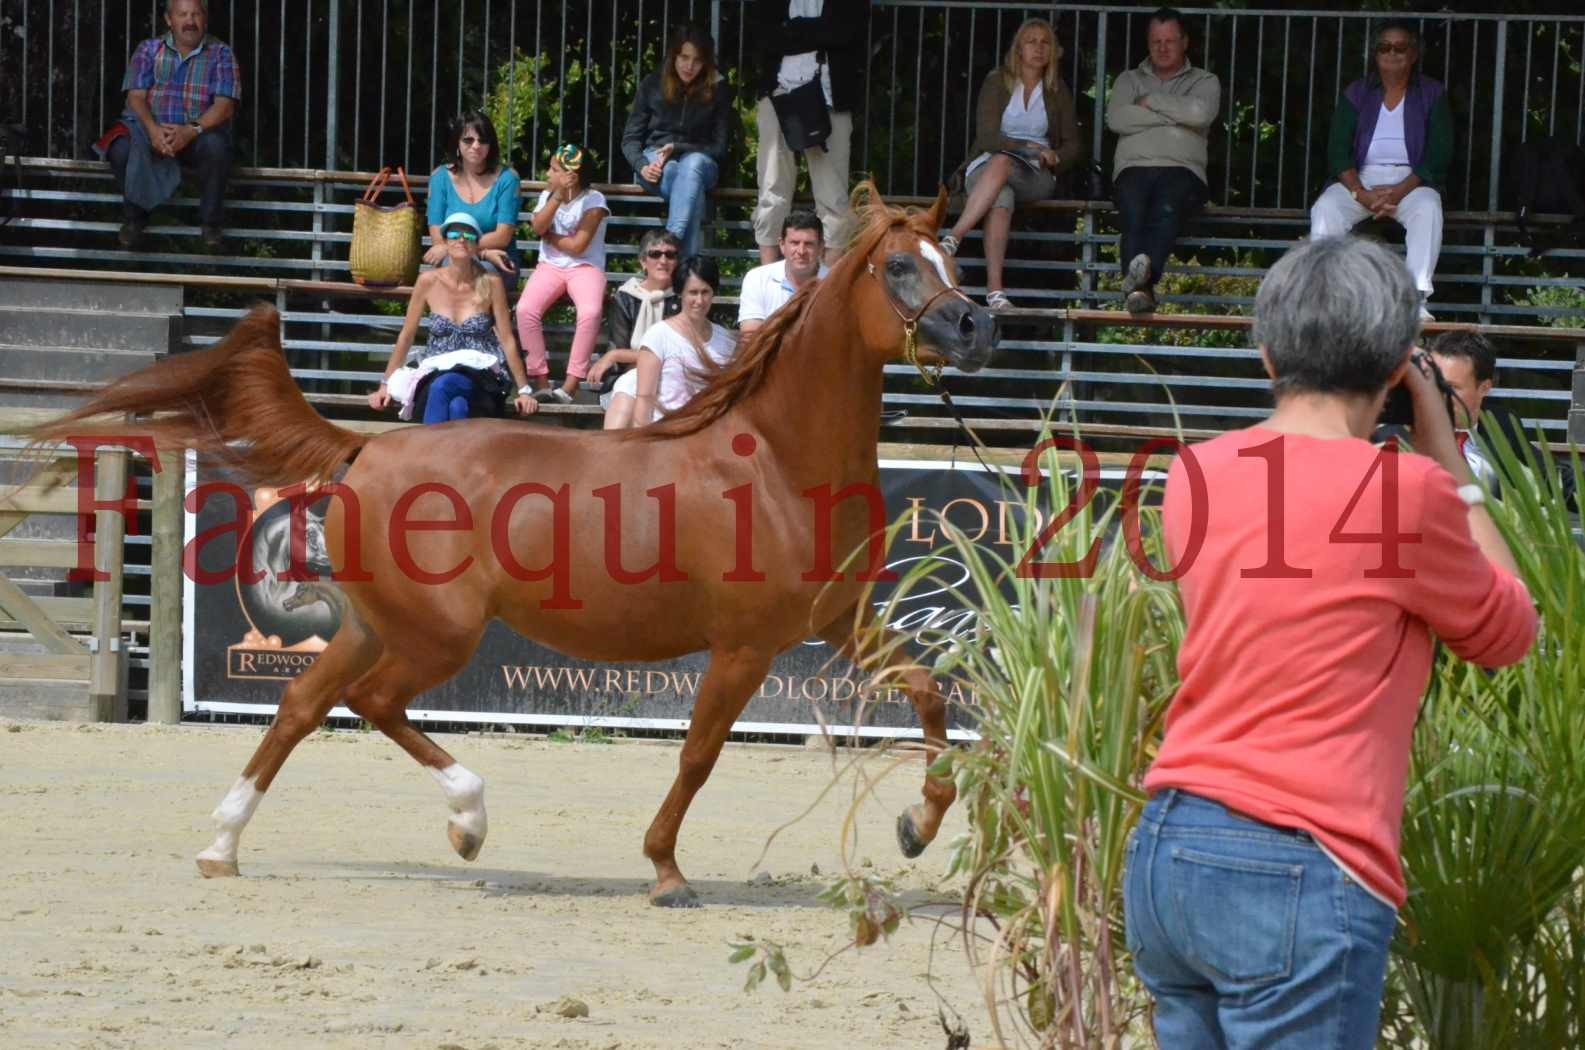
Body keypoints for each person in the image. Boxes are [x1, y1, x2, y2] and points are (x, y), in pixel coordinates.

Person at [1124, 235, 1537, 1049]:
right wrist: (1446, 455)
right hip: (1299, 859)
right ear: (1393, 367)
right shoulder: (1405, 492)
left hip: (1170, 847)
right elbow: (1509, 632)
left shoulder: (1194, 473)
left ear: (1265, 352)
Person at [1309, 19, 1452, 323]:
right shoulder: (1357, 92)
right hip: (1361, 179)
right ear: (1375, 54)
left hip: (1411, 181)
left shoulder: (1432, 93)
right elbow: (1337, 150)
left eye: (1400, 47)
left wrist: (1400, 191)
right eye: (1384, 47)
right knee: (1326, 209)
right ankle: (1325, 299)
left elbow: (1439, 153)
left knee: (1428, 208)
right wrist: (1361, 193)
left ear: (1413, 54)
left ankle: (1414, 300)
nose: (1392, 53)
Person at [942, 18, 1083, 311]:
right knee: (1001, 192)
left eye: (1045, 42)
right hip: (986, 166)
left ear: (1053, 51)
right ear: (1018, 48)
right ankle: (996, 294)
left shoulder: (1058, 89)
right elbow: (988, 136)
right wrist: (1026, 146)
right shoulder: (997, 81)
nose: (1038, 48)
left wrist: (1055, 156)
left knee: (1004, 166)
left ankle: (953, 238)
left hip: (1035, 174)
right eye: (1031, 41)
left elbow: (1073, 144)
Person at [94, 0, 240, 250]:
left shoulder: (221, 52)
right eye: (182, 14)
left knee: (216, 146)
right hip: (152, 133)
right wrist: (153, 131)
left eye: (195, 14)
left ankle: (211, 224)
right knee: (119, 148)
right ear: (169, 19)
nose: (190, 21)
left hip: (196, 136)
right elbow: (135, 97)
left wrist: (190, 130)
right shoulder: (148, 50)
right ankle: (135, 217)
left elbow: (224, 105)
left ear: (205, 19)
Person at [1376, 330, 1577, 508]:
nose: (1437, 395)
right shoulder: (1396, 434)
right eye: (1433, 383)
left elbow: (1551, 477)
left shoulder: (1500, 424)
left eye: (1450, 388)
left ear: (1484, 388)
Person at [368, 213, 536, 424]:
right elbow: (407, 336)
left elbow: (506, 338)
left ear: (477, 245)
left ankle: (426, 452)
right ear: (445, 242)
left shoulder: (491, 282)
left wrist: (524, 390)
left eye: (469, 236)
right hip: (436, 369)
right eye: (454, 234)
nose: (461, 239)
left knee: (444, 386)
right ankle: (455, 454)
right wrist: (385, 384)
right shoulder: (427, 281)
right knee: (457, 406)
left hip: (481, 372)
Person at [1105, 7, 1220, 316]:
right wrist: (1174, 117)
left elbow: (1201, 114)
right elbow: (1117, 118)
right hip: (1133, 169)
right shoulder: (1129, 80)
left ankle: (1138, 286)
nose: (1163, 47)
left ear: (1185, 42)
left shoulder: (1205, 81)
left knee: (1166, 209)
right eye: (1156, 41)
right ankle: (1142, 288)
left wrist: (1152, 102)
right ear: (1147, 43)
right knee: (1133, 211)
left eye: (1170, 40)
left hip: (1183, 171)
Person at [749, 0, 871, 266]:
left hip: (831, 97)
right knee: (772, 191)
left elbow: (847, 33)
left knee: (833, 198)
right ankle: (769, 280)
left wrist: (794, 30)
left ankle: (825, 288)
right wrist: (819, 33)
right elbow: (765, 36)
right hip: (777, 95)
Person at [621, 25, 735, 263]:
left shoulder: (718, 89)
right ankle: (684, 273)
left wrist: (679, 147)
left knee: (690, 167)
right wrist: (642, 165)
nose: (689, 66)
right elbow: (630, 139)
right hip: (656, 160)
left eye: (697, 60)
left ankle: (668, 246)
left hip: (701, 162)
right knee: (684, 184)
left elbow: (719, 148)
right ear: (674, 55)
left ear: (706, 63)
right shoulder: (653, 83)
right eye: (684, 57)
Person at [515, 144, 610, 404]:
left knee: (590, 313)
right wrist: (556, 196)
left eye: (554, 169)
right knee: (525, 310)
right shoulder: (549, 195)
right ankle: (542, 382)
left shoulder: (594, 201)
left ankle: (569, 386)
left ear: (571, 175)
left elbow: (579, 246)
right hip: (550, 266)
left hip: (585, 267)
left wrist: (549, 235)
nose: (547, 173)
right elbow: (537, 227)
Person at [627, 257, 739, 428]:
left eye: (705, 292)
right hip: (666, 436)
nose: (699, 301)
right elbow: (644, 398)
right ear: (680, 293)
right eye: (693, 292)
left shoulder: (726, 341)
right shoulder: (658, 335)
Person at [592, 230, 683, 429]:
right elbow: (619, 344)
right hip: (629, 375)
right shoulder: (626, 297)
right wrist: (617, 354)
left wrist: (615, 355)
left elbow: (675, 352)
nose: (663, 260)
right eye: (655, 254)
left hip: (670, 375)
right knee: (632, 386)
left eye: (670, 254)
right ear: (643, 261)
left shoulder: (683, 298)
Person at [425, 111, 523, 285]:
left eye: (483, 140)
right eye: (468, 140)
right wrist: (481, 252)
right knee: (455, 269)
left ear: (491, 145)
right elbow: (437, 237)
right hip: (454, 259)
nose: (476, 145)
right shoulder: (439, 178)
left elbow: (502, 237)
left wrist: (467, 251)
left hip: (497, 260)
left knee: (480, 274)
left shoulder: (508, 179)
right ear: (457, 143)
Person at [737, 211, 827, 337]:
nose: (801, 251)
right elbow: (750, 337)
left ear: (821, 247)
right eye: (794, 243)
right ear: (782, 245)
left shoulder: (837, 282)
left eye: (809, 244)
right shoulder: (757, 278)